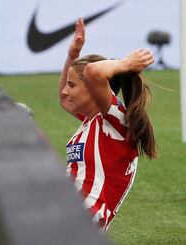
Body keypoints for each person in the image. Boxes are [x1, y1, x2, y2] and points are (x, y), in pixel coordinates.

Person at [59, 18, 157, 232]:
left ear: (93, 89)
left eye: (72, 84)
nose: (65, 91)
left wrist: (126, 63)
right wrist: (72, 56)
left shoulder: (116, 121)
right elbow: (64, 99)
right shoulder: (93, 120)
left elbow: (95, 72)